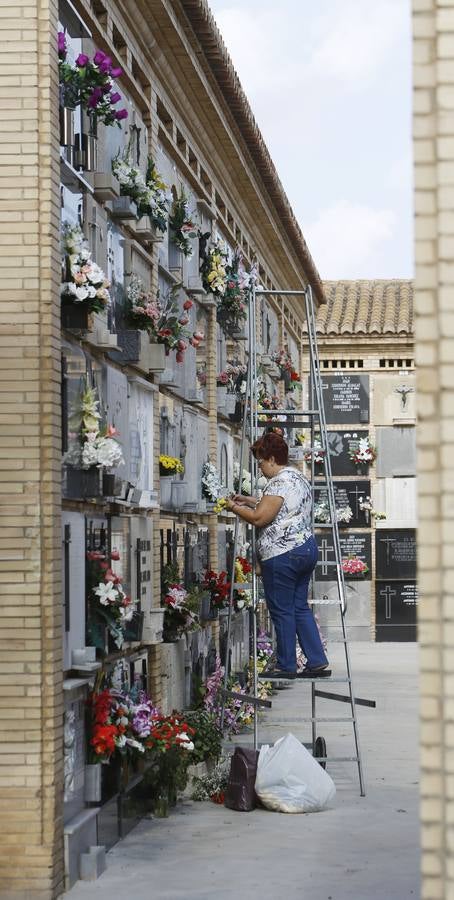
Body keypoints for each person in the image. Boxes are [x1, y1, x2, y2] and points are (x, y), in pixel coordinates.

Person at [225, 432, 330, 679]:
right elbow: (278, 506)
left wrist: (233, 507)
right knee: (299, 607)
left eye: (261, 462)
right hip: (305, 549)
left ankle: (286, 665)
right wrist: (249, 500)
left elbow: (261, 517)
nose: (259, 467)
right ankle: (316, 660)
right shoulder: (297, 477)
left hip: (283, 553)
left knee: (281, 609)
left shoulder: (279, 482)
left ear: (272, 459)